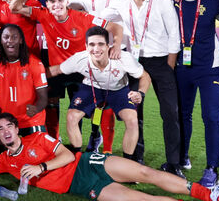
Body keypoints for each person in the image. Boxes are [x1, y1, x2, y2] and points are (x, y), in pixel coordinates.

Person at [0, 113, 219, 201]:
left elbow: (66, 155)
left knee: (145, 174)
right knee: (141, 200)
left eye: (8, 127)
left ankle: (208, 193)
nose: (4, 132)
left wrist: (40, 166)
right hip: (83, 187)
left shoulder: (38, 138)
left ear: (17, 129)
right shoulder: (5, 160)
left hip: (87, 163)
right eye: (0, 129)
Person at [11, 0, 122, 144]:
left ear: (67, 1)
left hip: (80, 70)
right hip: (57, 70)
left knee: (84, 108)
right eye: (52, 2)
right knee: (51, 103)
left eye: (61, 0)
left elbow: (115, 27)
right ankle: (54, 140)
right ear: (47, 5)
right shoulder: (44, 15)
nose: (57, 5)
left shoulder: (81, 17)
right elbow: (14, 8)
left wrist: (115, 45)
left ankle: (95, 135)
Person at [104, 0, 182, 175]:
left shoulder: (163, 2)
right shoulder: (121, 0)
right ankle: (135, 159)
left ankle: (174, 163)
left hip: (161, 62)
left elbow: (174, 35)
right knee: (134, 114)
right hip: (133, 63)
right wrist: (117, 40)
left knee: (170, 113)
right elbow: (102, 18)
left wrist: (169, 67)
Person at [49, 27, 150, 161]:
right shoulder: (80, 59)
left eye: (101, 44)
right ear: (86, 46)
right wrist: (30, 73)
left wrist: (141, 93)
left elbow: (145, 76)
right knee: (72, 116)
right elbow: (55, 70)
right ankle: (77, 159)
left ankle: (128, 162)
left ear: (108, 46)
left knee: (132, 120)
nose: (96, 49)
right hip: (92, 87)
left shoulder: (123, 58)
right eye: (92, 44)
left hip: (118, 89)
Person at [170, 0, 219, 186]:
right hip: (181, 68)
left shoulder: (214, 1)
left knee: (211, 117)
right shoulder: (168, 0)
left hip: (209, 68)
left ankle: (212, 167)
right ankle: (182, 158)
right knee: (182, 115)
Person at [0, 24, 48, 155]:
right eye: (6, 37)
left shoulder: (35, 64)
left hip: (31, 120)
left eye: (14, 37)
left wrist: (36, 108)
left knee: (35, 156)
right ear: (0, 41)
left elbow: (43, 97)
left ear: (20, 40)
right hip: (8, 122)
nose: (9, 40)